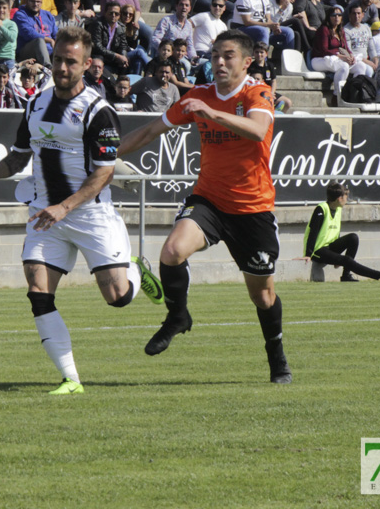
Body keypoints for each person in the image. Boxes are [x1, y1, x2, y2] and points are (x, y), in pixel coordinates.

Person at [0, 26, 163, 395]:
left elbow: (104, 173)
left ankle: (135, 271)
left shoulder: (98, 112)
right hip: (45, 214)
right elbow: (20, 156)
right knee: (38, 290)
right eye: (57, 60)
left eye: (71, 61)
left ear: (86, 65)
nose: (62, 67)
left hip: (89, 214)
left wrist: (65, 207)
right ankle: (71, 379)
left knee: (117, 297)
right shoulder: (35, 103)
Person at [118, 28, 291, 384]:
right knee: (171, 251)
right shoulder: (197, 96)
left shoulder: (257, 93)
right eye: (214, 56)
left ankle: (276, 357)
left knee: (262, 296)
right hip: (209, 200)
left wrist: (210, 112)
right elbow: (150, 131)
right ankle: (177, 316)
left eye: (228, 56)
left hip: (252, 209)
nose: (220, 62)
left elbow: (258, 131)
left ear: (247, 62)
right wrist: (103, 156)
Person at [303, 183, 380, 283]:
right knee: (347, 260)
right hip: (318, 251)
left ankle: (346, 276)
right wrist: (308, 254)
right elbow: (313, 232)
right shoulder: (321, 209)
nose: (347, 199)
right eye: (346, 196)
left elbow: (335, 234)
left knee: (353, 238)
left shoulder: (338, 209)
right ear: (339, 198)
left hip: (330, 247)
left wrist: (337, 255)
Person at [12, 0, 56, 65]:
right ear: (26, 1)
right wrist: (50, 40)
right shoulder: (20, 15)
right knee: (39, 40)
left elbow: (56, 34)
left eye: (38, 2)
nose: (35, 4)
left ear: (42, 2)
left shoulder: (48, 15)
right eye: (32, 1)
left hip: (50, 52)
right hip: (27, 52)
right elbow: (29, 34)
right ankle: (47, 67)